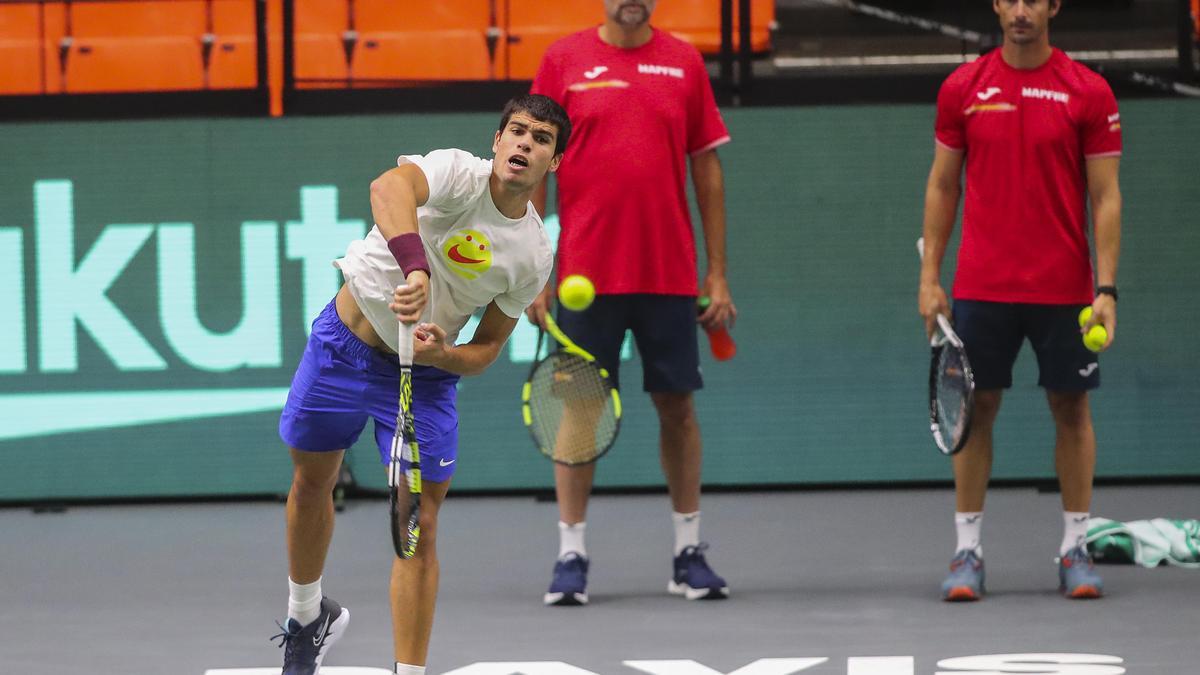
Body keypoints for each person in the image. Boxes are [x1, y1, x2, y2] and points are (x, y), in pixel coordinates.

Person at [273, 94, 569, 673]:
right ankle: (307, 618)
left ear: (553, 163)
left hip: (423, 379)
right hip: (342, 344)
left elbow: (485, 350)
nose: (524, 144)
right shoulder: (459, 173)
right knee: (312, 481)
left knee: (418, 526)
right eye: (516, 131)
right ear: (497, 141)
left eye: (541, 139)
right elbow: (388, 188)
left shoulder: (533, 253)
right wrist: (414, 264)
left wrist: (447, 353)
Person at [527, 0, 736, 605]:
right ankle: (571, 555)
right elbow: (533, 169)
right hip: (583, 272)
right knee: (581, 414)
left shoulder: (683, 62)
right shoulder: (562, 61)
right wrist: (536, 271)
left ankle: (688, 553)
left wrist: (717, 274)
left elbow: (707, 170)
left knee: (678, 407)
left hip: (668, 271)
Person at [918, 0, 1122, 601]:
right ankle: (967, 551)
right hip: (983, 285)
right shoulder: (964, 87)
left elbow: (1105, 197)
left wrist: (1105, 288)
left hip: (1064, 288)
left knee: (1072, 411)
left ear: (1054, 6)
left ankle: (1075, 548)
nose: (1022, 10)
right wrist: (931, 276)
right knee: (975, 411)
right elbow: (942, 183)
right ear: (997, 6)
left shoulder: (1088, 91)